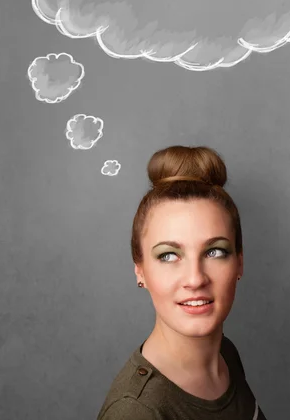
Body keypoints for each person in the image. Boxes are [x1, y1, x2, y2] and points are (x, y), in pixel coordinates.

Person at [96, 145, 267, 419]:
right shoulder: (137, 411)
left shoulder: (226, 355)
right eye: (168, 255)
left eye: (215, 252)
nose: (195, 278)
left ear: (239, 262)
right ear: (140, 270)